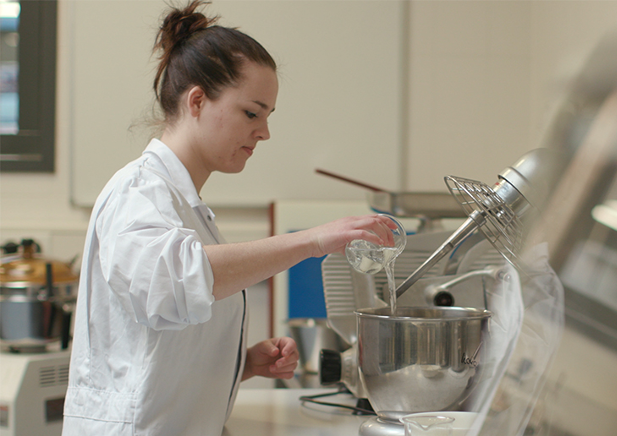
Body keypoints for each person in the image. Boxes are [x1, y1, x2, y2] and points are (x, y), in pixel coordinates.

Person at [62, 1, 396, 434]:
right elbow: (175, 282)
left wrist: (240, 363)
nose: (264, 132)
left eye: (268, 116)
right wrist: (312, 242)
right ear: (197, 101)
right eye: (251, 113)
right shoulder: (138, 192)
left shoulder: (185, 207)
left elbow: (156, 344)